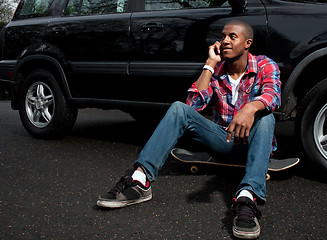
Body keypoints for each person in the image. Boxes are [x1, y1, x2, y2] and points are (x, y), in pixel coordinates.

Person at [97, 20, 281, 239]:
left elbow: (273, 95)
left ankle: (247, 198)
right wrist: (209, 64)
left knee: (266, 116)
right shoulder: (218, 70)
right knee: (178, 109)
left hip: (255, 143)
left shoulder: (264, 65)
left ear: (247, 43)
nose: (225, 41)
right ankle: (140, 180)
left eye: (232, 37)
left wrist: (251, 108)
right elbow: (193, 103)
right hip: (224, 141)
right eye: (222, 37)